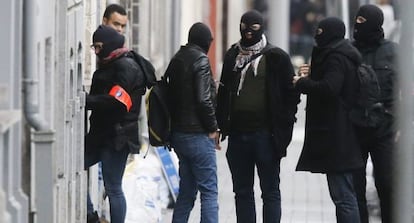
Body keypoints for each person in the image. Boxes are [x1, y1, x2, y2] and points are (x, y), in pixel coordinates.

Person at [217, 10, 300, 223]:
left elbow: (292, 95)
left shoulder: (276, 57)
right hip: (237, 136)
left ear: (262, 28)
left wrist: (284, 129)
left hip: (266, 137)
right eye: (244, 27)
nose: (248, 32)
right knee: (242, 192)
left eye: (254, 28)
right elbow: (223, 92)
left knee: (270, 191)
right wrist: (219, 126)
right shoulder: (232, 56)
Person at [293, 17, 364, 223]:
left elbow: (330, 88)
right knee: (341, 194)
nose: (317, 33)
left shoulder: (336, 57)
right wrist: (312, 75)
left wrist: (302, 83)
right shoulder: (338, 53)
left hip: (337, 135)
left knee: (343, 196)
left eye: (321, 30)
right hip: (337, 132)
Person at [85, 25, 149, 223]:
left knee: (113, 187)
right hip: (102, 135)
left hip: (117, 138)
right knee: (75, 165)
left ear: (109, 45)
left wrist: (87, 101)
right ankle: (90, 215)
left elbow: (117, 102)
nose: (96, 52)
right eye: (93, 47)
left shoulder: (125, 67)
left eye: (98, 47)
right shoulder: (113, 64)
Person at [166, 22, 219, 223]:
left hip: (178, 134)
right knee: (209, 191)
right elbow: (203, 100)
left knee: (187, 192)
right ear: (205, 42)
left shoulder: (177, 59)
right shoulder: (201, 61)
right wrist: (213, 127)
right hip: (198, 134)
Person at [352, 4, 398, 223]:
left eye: (363, 21)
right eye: (357, 21)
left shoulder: (393, 52)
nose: (357, 26)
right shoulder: (349, 52)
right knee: (355, 186)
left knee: (387, 184)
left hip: (385, 128)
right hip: (354, 128)